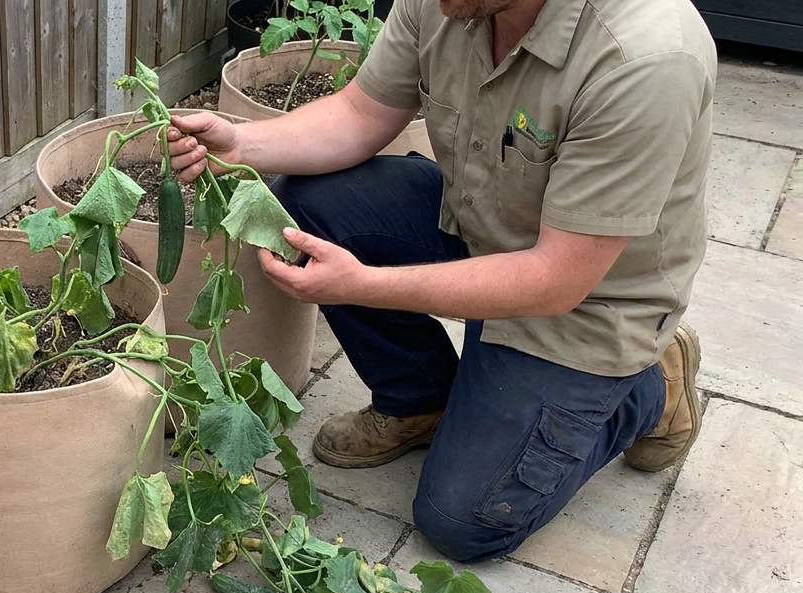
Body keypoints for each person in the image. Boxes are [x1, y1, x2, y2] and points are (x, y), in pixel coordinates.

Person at [167, 0, 716, 562]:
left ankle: (652, 384)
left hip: (586, 303)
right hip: (482, 221)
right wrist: (242, 144)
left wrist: (359, 285)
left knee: (463, 521)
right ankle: (420, 401)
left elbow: (556, 278)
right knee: (308, 202)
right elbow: (360, 114)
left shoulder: (646, 58)